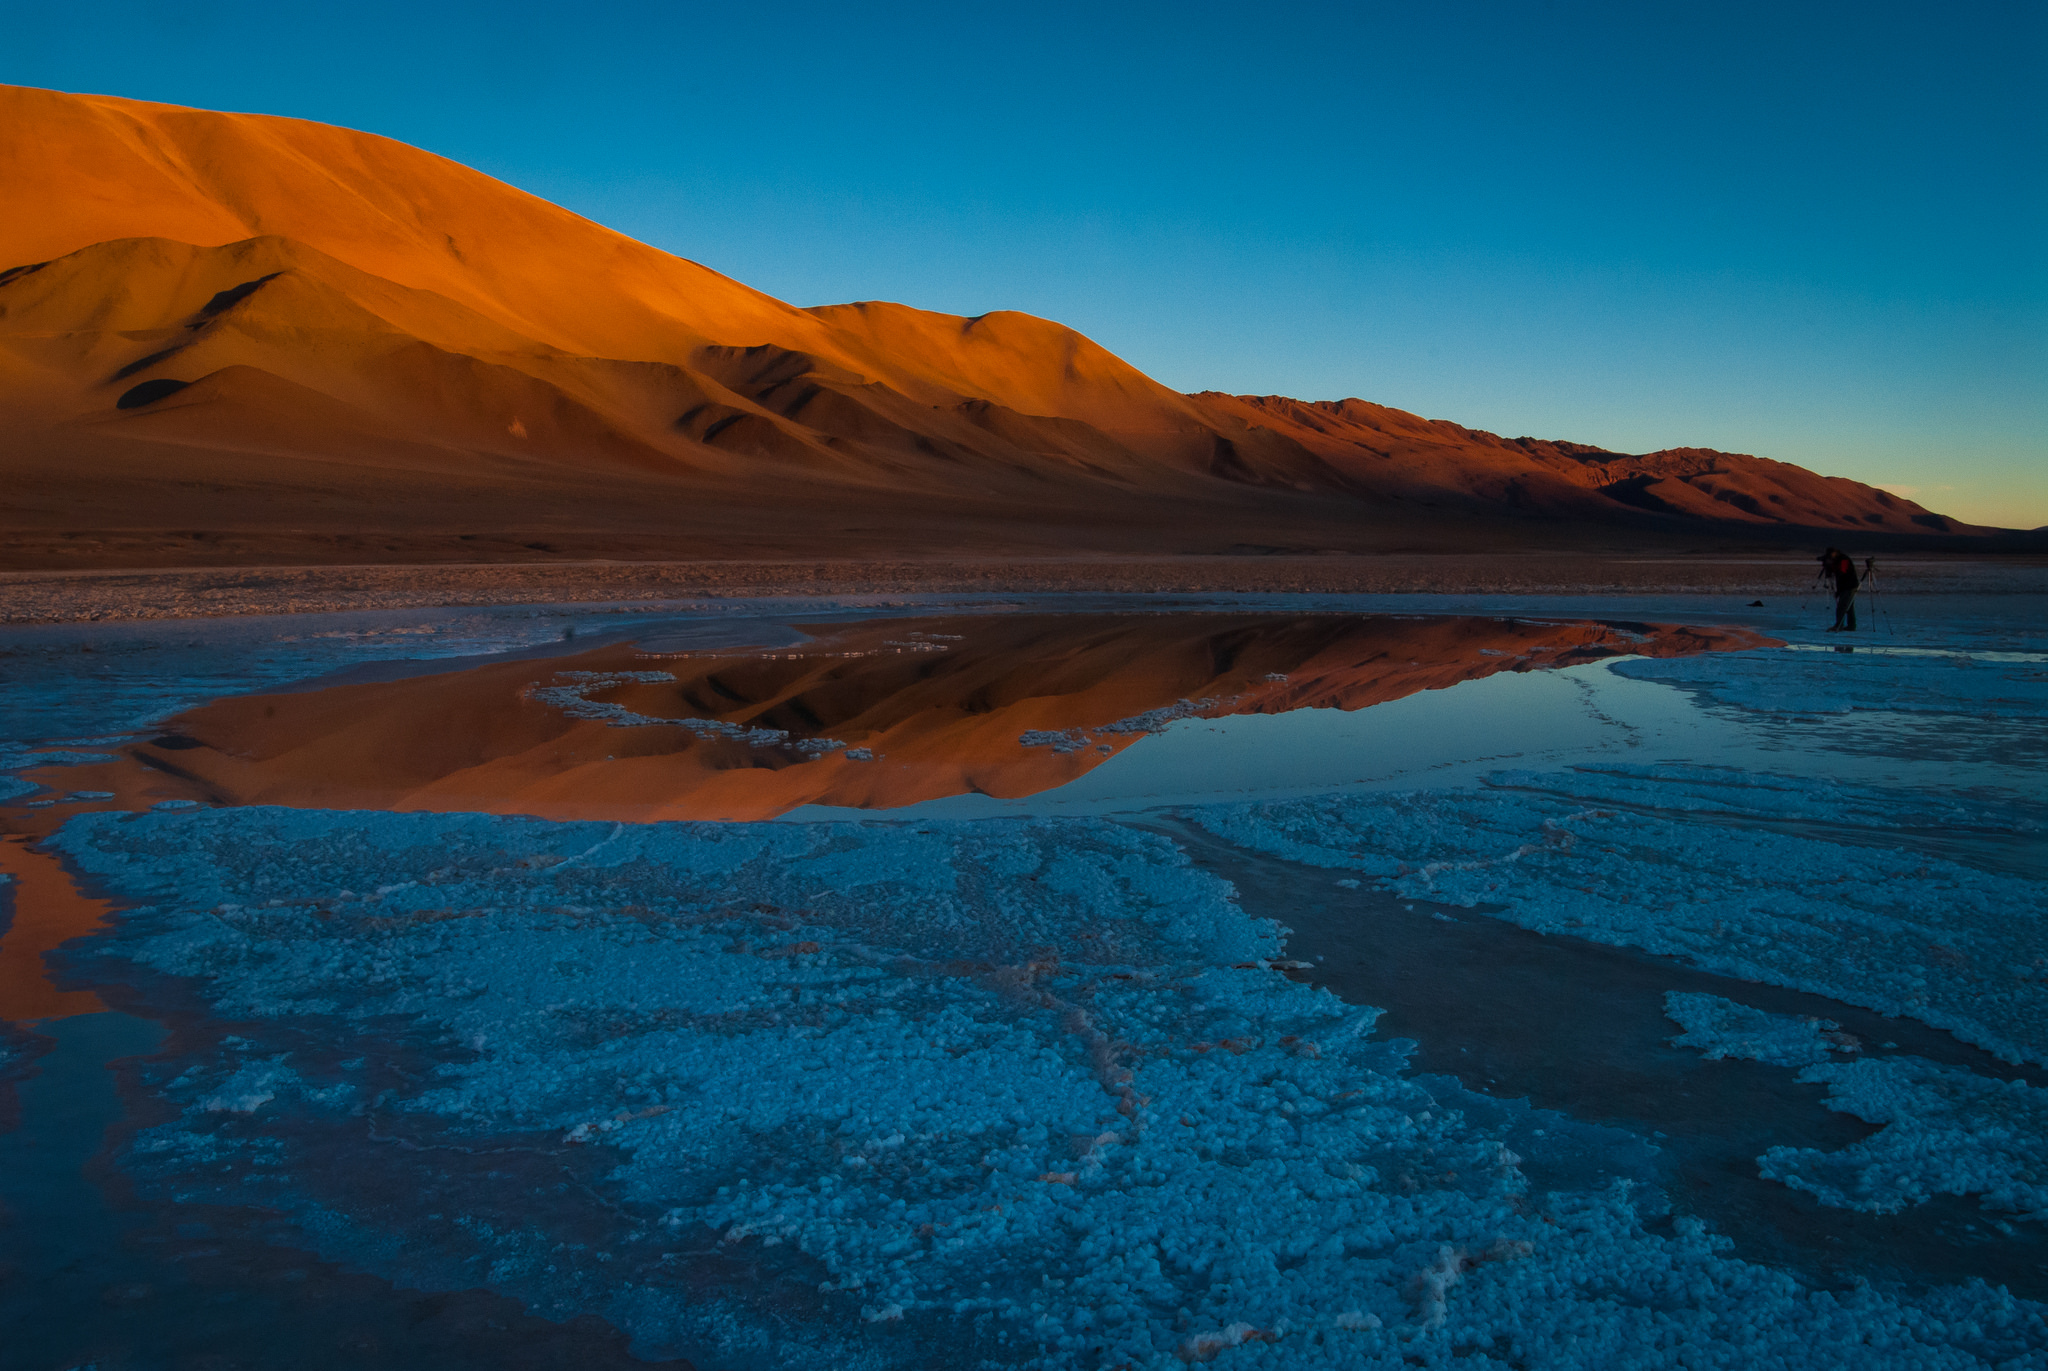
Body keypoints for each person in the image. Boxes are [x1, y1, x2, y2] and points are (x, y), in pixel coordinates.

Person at [1816, 547, 1859, 631]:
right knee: (1848, 606)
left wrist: (1832, 567)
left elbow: (1843, 573)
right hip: (1845, 586)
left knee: (1842, 606)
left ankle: (1839, 625)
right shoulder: (1837, 560)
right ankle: (1851, 625)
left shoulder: (1844, 560)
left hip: (1849, 586)